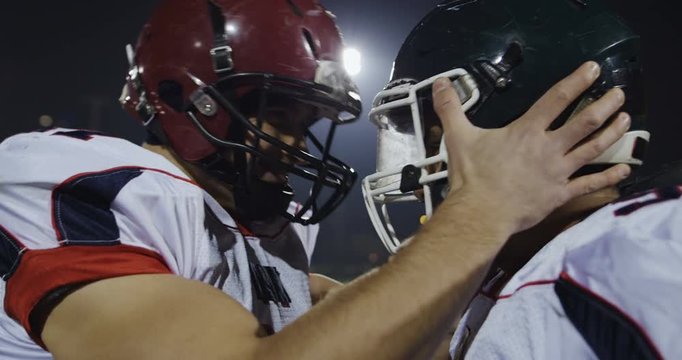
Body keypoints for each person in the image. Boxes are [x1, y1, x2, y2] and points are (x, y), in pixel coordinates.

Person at [0, 0, 630, 358]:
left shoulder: (262, 240)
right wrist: (486, 209)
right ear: (182, 97)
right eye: (277, 113)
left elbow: (393, 329)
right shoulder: (80, 182)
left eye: (310, 121)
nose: (297, 143)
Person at [362, 0, 681, 358]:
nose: (420, 183)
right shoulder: (527, 270)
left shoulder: (638, 253)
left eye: (437, 144)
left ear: (543, 124)